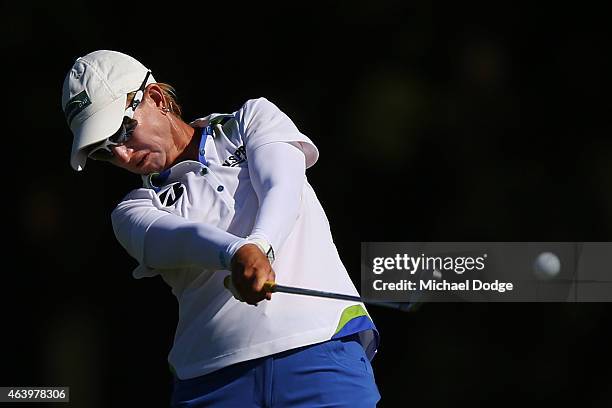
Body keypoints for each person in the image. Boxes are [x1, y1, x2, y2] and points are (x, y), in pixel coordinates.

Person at [62, 49, 381, 407]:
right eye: (103, 151)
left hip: (319, 349)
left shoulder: (251, 119)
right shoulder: (132, 209)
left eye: (122, 131)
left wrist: (259, 247)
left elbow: (282, 187)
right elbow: (182, 240)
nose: (121, 155)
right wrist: (237, 254)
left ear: (155, 99)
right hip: (210, 382)